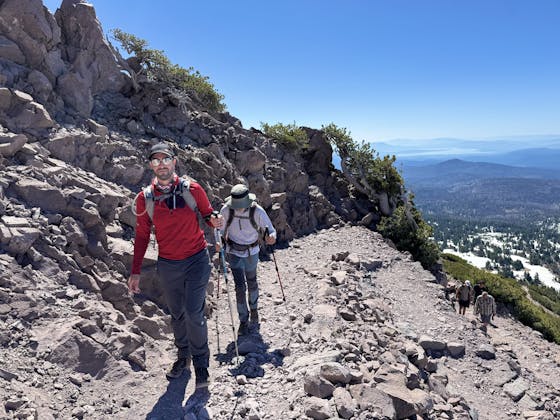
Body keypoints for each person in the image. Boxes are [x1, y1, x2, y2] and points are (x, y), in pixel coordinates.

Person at [128, 142, 223, 387]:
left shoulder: (193, 189)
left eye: (166, 159)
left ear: (174, 162)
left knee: (193, 312)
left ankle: (201, 364)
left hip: (196, 260)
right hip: (169, 264)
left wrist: (214, 220)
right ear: (151, 165)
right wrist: (135, 271)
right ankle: (183, 356)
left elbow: (207, 214)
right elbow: (142, 236)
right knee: (177, 314)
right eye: (156, 160)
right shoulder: (145, 198)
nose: (161, 164)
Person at [219, 184, 276, 336]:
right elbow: (219, 231)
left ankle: (254, 309)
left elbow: (271, 229)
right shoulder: (226, 210)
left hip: (252, 252)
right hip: (234, 252)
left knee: (252, 282)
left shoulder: (257, 211)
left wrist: (271, 237)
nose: (238, 207)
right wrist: (219, 242)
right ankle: (243, 320)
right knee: (239, 287)